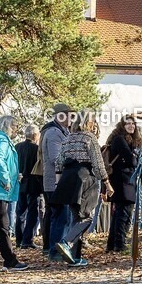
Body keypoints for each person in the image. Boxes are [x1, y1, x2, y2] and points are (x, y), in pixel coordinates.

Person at [51, 111, 112, 267]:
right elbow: (98, 164)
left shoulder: (67, 139)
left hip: (67, 178)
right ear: (89, 122)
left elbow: (58, 163)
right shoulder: (89, 138)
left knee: (77, 218)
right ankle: (66, 242)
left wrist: (59, 184)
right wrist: (107, 183)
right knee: (87, 217)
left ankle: (74, 257)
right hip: (86, 178)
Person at [38, 103, 74, 256]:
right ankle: (55, 251)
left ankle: (56, 250)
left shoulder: (62, 131)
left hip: (60, 183)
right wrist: (74, 159)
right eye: (70, 115)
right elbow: (55, 158)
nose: (72, 118)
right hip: (55, 183)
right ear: (61, 116)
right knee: (60, 218)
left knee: (61, 218)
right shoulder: (54, 133)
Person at [106, 115, 142, 253]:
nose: (131, 126)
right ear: (122, 125)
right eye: (127, 124)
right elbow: (132, 161)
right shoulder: (120, 140)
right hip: (122, 181)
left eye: (133, 123)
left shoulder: (129, 141)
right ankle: (119, 244)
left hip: (125, 180)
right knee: (124, 213)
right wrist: (135, 156)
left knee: (119, 214)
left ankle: (112, 245)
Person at [0, 115, 27, 271]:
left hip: (0, 190)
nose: (16, 129)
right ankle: (10, 260)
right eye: (14, 126)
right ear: (8, 126)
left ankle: (10, 259)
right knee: (2, 226)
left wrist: (15, 176)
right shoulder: (2, 140)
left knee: (2, 227)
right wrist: (7, 179)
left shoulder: (0, 139)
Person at [15, 124, 43, 249]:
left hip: (20, 183)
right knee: (32, 212)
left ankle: (19, 239)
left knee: (20, 212)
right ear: (35, 135)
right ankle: (27, 240)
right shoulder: (36, 149)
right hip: (33, 183)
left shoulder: (17, 147)